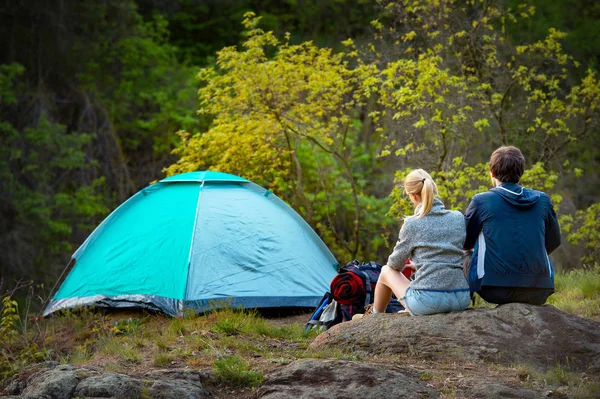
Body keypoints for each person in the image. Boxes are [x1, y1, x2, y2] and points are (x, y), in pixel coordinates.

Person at [358, 169, 470, 317]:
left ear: (412, 196)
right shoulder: (458, 218)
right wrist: (419, 265)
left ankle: (374, 315)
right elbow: (449, 253)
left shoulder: (412, 223)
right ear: (434, 188)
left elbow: (395, 264)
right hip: (461, 299)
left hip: (428, 302)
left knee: (386, 271)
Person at [463, 146, 561, 305]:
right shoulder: (543, 200)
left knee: (466, 250)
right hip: (538, 289)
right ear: (521, 172)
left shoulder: (481, 201)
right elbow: (554, 241)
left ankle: (463, 302)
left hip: (494, 290)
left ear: (492, 173)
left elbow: (465, 242)